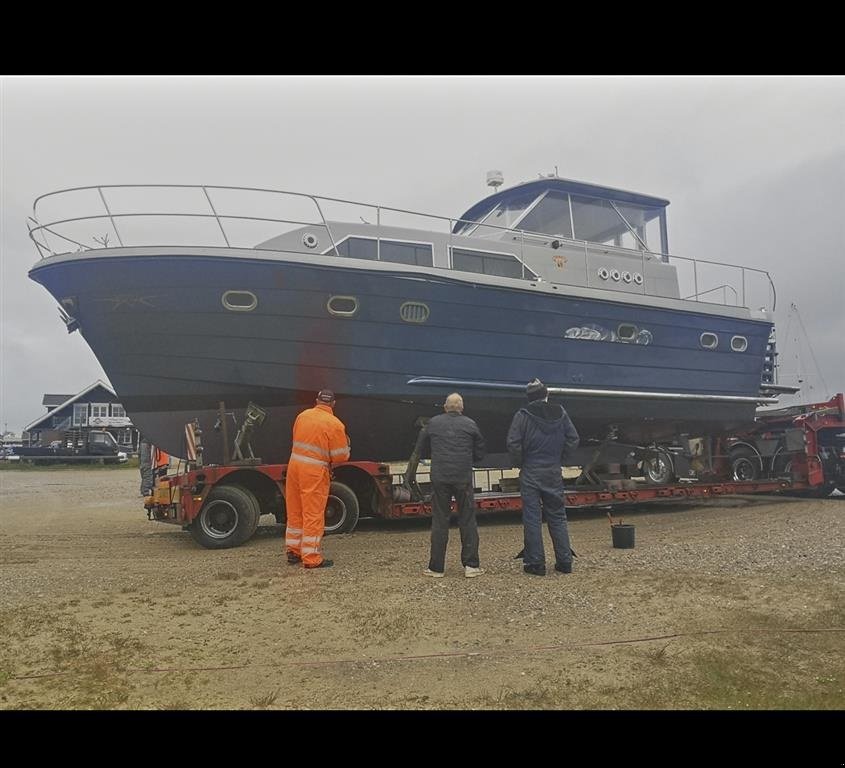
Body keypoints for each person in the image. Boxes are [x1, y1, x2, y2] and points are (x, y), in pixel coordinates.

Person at [507, 378, 580, 576]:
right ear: (546, 395)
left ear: (528, 397)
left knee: (532, 517)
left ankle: (535, 564)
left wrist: (521, 462)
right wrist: (561, 459)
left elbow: (513, 443)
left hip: (531, 471)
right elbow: (573, 439)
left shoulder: (522, 415)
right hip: (553, 471)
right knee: (557, 516)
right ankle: (565, 562)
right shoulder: (561, 413)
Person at [414, 392, 486, 578]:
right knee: (467, 520)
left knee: (440, 521)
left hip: (440, 478)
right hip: (463, 478)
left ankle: (436, 568)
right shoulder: (470, 424)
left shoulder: (434, 423)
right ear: (462, 408)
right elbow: (480, 453)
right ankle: (471, 566)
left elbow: (421, 448)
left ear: (445, 407)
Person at [285, 389, 350, 569]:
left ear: (316, 400)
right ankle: (311, 558)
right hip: (313, 471)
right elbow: (340, 457)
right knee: (313, 514)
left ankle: (293, 550)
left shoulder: (302, 416)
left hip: (294, 466)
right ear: (333, 404)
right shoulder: (335, 424)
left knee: (295, 511)